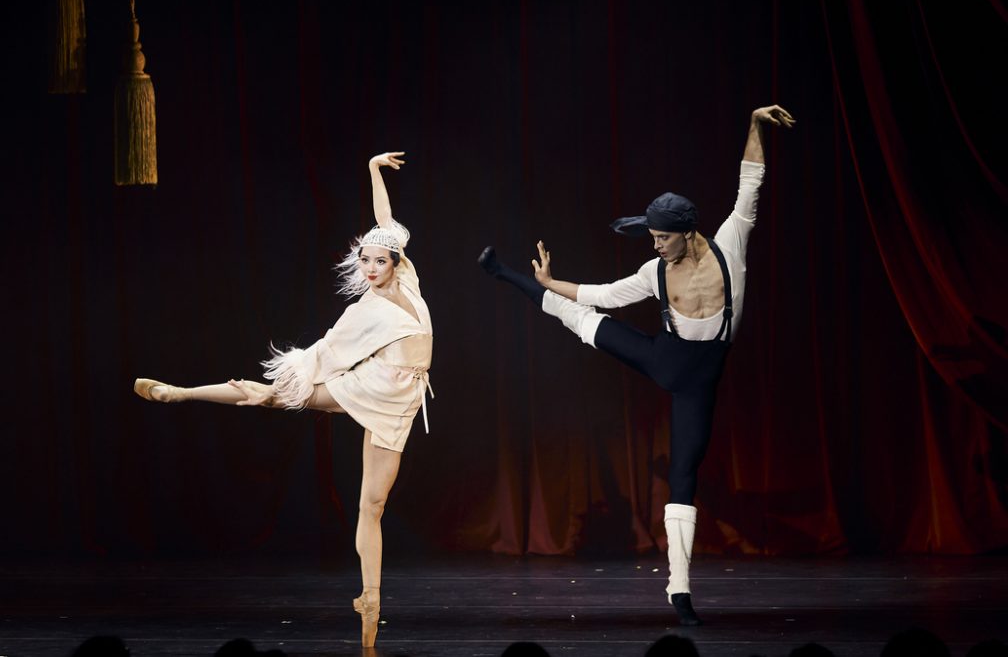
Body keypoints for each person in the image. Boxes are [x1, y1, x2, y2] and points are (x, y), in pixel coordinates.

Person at [479, 106, 794, 626]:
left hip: (698, 385)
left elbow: (750, 183)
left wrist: (756, 124)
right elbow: (603, 294)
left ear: (687, 232)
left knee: (683, 475)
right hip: (661, 358)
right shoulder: (655, 270)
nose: (655, 245)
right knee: (584, 322)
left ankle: (679, 589)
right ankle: (506, 274)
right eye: (651, 237)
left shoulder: (730, 244)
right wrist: (551, 281)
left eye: (662, 237)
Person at [134, 152, 433, 648]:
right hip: (375, 384)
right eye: (365, 261)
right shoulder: (367, 306)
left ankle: (370, 598)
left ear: (396, 262)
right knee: (276, 398)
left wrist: (372, 169)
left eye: (380, 261)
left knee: (372, 504)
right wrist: (295, 377)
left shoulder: (407, 279)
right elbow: (331, 344)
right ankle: (180, 392)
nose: (370, 268)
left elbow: (384, 220)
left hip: (401, 401)